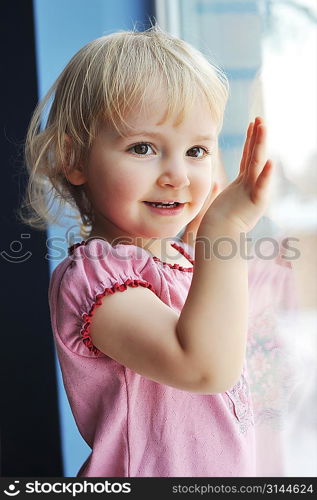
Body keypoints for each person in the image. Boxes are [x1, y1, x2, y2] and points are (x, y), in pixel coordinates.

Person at [21, 25, 275, 477]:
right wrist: (224, 226)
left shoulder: (187, 261)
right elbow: (203, 368)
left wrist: (205, 238)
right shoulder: (94, 278)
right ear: (74, 158)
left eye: (196, 150)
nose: (177, 175)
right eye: (143, 148)